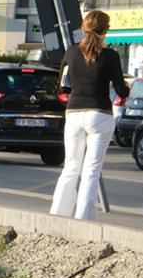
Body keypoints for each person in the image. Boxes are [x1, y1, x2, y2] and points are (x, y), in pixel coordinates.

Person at [51, 11, 128, 220]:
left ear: (84, 28)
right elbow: (121, 91)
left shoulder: (71, 53)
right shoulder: (111, 56)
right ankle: (84, 219)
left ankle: (57, 214)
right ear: (105, 31)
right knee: (91, 170)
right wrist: (125, 88)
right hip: (100, 114)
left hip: (74, 113)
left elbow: (62, 86)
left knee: (70, 167)